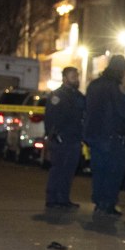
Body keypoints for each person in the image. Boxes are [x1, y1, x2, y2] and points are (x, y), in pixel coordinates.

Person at [84, 55, 125, 216]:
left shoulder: (93, 85)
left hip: (95, 136)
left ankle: (99, 202)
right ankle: (108, 203)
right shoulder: (118, 88)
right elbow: (124, 114)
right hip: (113, 137)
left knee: (99, 171)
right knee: (114, 172)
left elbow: (88, 111)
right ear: (122, 70)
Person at [43, 66, 85, 210]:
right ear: (65, 78)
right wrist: (52, 136)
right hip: (61, 139)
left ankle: (64, 199)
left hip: (74, 139)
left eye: (77, 76)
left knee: (69, 171)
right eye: (73, 76)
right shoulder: (57, 95)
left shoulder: (79, 97)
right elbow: (50, 118)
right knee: (58, 169)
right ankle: (52, 199)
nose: (76, 79)